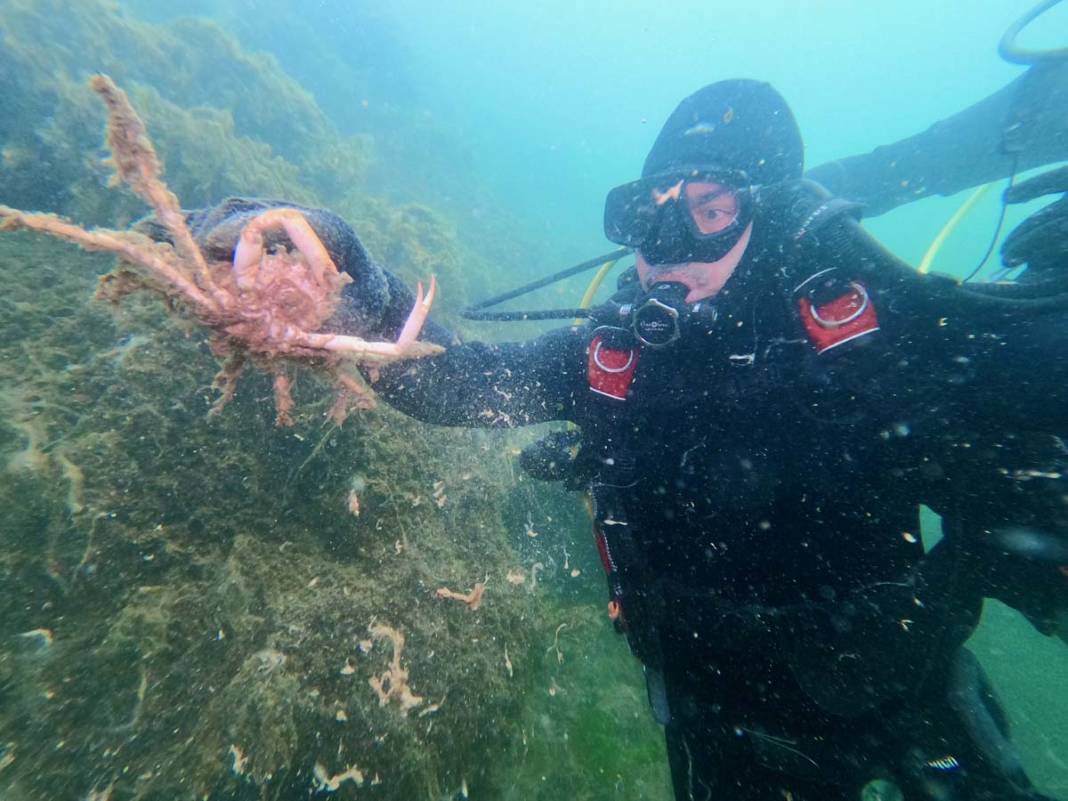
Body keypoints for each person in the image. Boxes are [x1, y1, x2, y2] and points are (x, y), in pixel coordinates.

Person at [185, 80, 1068, 801]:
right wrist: (330, 264)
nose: (664, 243)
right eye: (645, 214)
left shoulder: (867, 340)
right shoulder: (616, 359)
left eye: (709, 208)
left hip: (908, 707)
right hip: (714, 717)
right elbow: (455, 380)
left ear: (771, 216)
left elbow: (1028, 383)